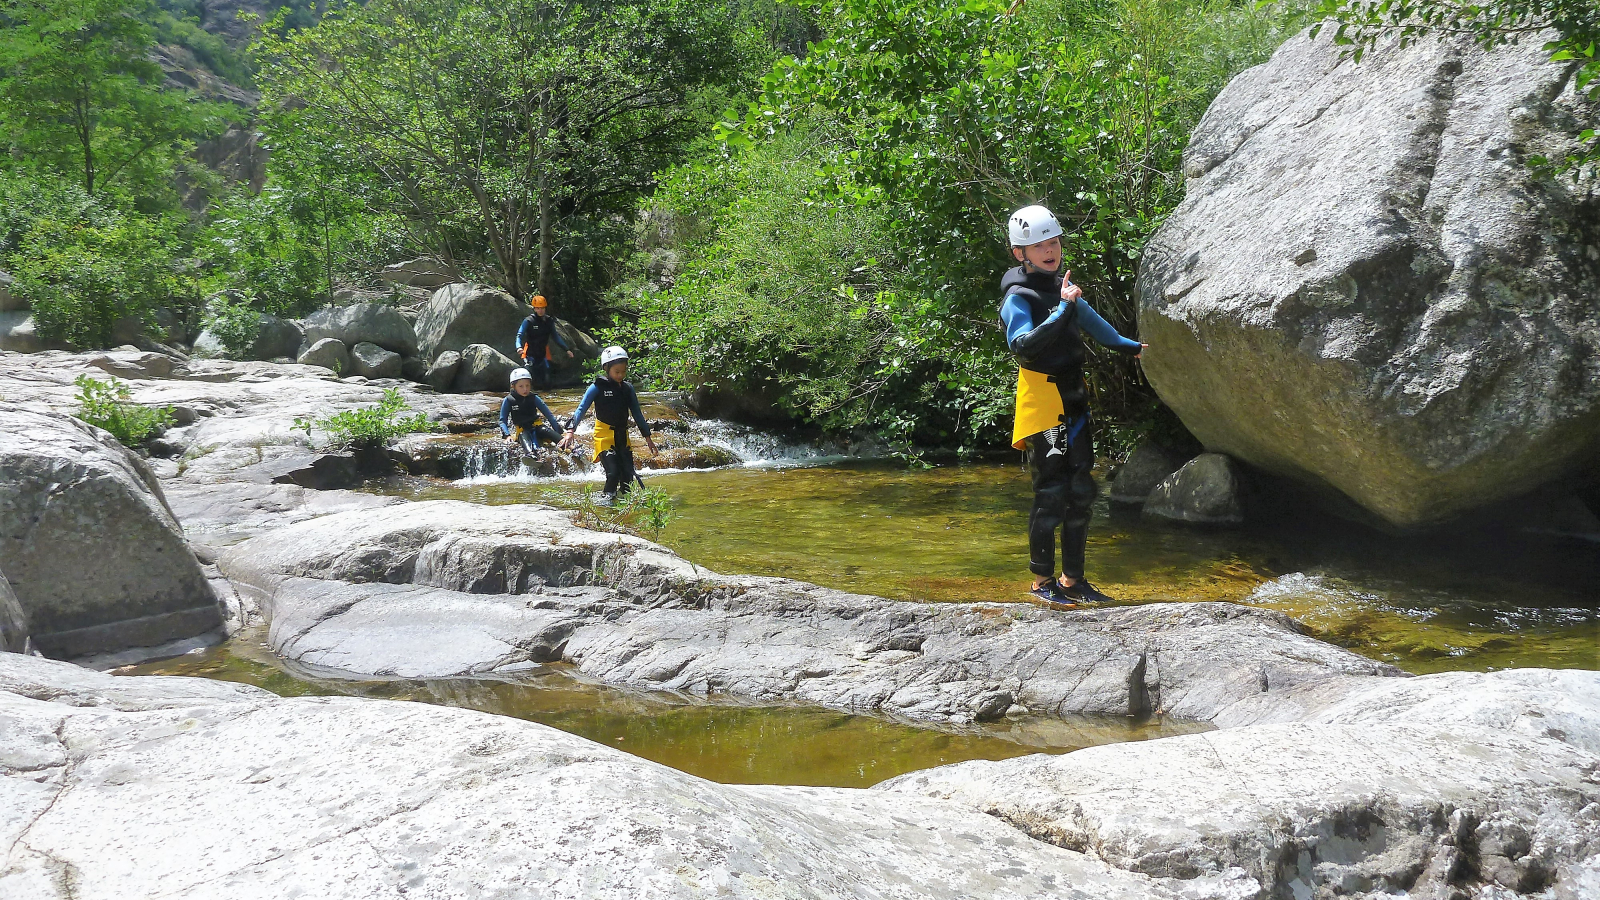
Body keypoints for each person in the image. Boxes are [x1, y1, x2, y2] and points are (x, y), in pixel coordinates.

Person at [1000, 204, 1147, 608]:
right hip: (1044, 401)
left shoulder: (1060, 288)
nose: (1050, 250)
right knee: (1052, 491)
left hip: (1074, 399)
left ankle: (1073, 580)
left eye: (1054, 242)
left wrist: (1130, 346)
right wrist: (1064, 308)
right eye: (1039, 246)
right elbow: (1023, 347)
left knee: (1081, 489)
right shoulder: (1020, 297)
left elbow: (1097, 325)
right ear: (1020, 254)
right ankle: (1040, 582)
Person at [558, 345, 657, 499]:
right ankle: (606, 503)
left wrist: (648, 439)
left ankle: (626, 509)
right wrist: (570, 431)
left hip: (622, 436)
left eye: (623, 372)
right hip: (604, 436)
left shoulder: (628, 389)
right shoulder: (597, 387)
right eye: (617, 372)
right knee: (613, 473)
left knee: (627, 477)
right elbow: (581, 408)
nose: (620, 375)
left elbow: (637, 414)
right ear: (607, 368)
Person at [514, 295, 574, 389]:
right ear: (534, 308)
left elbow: (555, 337)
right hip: (530, 356)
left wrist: (567, 350)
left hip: (542, 355)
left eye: (542, 308)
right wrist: (518, 347)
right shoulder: (529, 321)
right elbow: (519, 335)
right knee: (528, 378)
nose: (540, 310)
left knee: (547, 381)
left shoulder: (549, 321)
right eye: (538, 308)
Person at [500, 367, 562, 455]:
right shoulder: (509, 400)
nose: (525, 389)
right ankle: (531, 456)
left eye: (527, 386)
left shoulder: (534, 398)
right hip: (522, 430)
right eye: (521, 386)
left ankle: (570, 447)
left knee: (546, 431)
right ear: (513, 386)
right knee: (525, 439)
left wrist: (559, 431)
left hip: (537, 427)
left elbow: (549, 415)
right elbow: (502, 420)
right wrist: (507, 435)